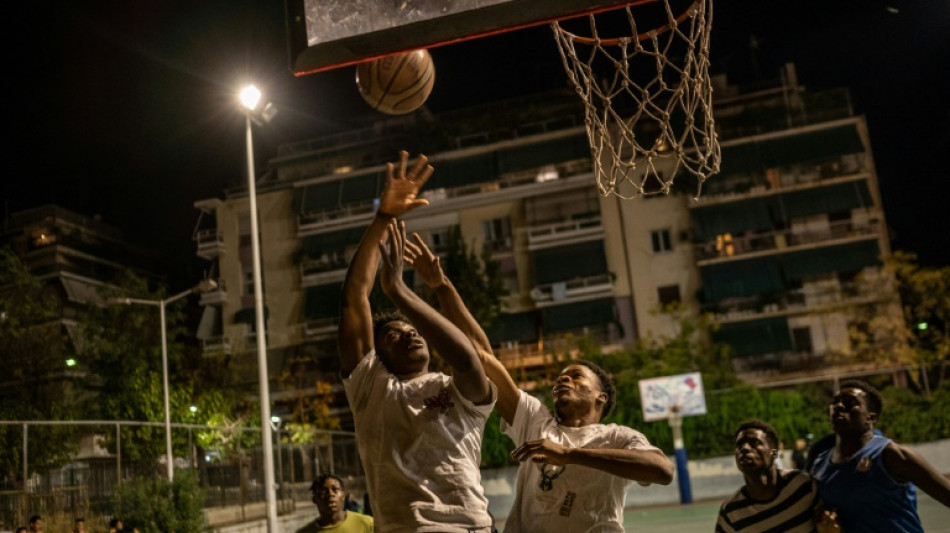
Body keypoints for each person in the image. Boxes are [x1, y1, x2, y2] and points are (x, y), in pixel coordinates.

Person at [402, 230, 673, 533]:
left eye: (575, 377)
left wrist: (570, 455)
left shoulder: (618, 437)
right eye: (559, 379)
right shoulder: (537, 422)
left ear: (600, 397)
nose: (562, 381)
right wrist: (442, 286)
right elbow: (483, 358)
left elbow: (662, 470)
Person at [337, 151, 496, 533]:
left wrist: (402, 293)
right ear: (379, 354)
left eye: (413, 330)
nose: (409, 333)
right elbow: (354, 296)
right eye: (394, 334)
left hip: (476, 526)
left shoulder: (454, 389)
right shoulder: (371, 386)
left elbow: (470, 359)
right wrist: (384, 217)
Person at [810, 379, 950, 532]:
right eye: (835, 402)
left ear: (871, 418)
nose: (838, 406)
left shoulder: (891, 454)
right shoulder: (819, 465)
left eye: (850, 402)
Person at [715, 419, 819, 532]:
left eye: (754, 442)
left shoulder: (803, 486)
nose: (744, 448)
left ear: (774, 453)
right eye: (739, 444)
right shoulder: (731, 512)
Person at [295, 474, 374, 533]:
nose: (330, 494)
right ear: (315, 500)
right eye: (324, 491)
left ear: (343, 496)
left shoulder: (367, 524)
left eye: (335, 489)